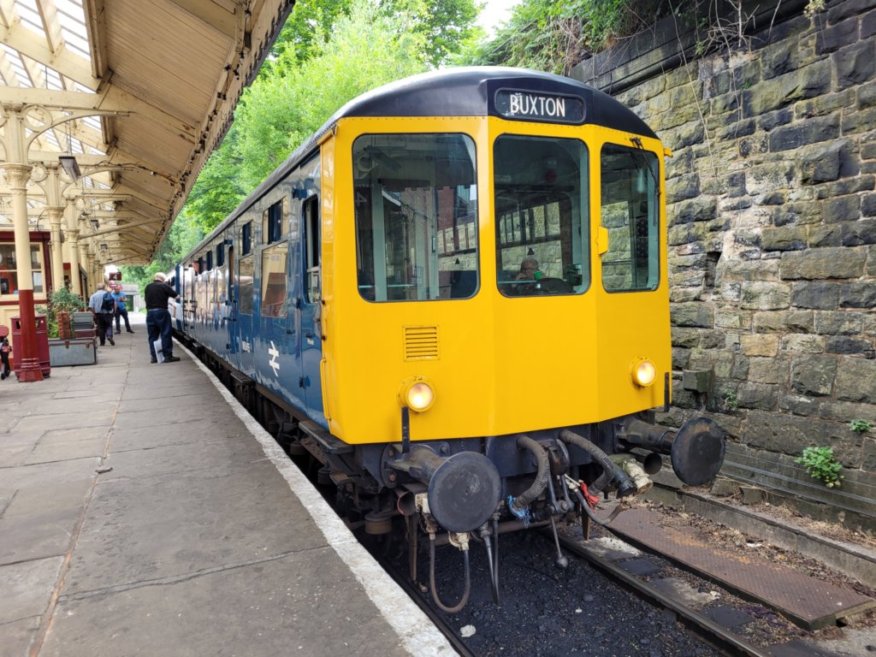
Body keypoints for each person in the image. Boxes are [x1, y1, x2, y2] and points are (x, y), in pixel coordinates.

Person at [145, 272, 180, 363]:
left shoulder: (148, 287)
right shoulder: (164, 286)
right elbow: (176, 296)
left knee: (152, 336)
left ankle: (154, 357)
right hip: (161, 312)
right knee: (165, 333)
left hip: (150, 313)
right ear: (163, 279)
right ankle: (167, 356)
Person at [88, 282, 116, 346]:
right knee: (109, 325)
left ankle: (102, 342)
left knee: (101, 328)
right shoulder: (109, 294)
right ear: (104, 287)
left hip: (99, 314)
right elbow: (114, 304)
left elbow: (91, 307)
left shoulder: (93, 296)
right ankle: (109, 336)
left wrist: (94, 314)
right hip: (109, 313)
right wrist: (113, 312)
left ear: (97, 288)